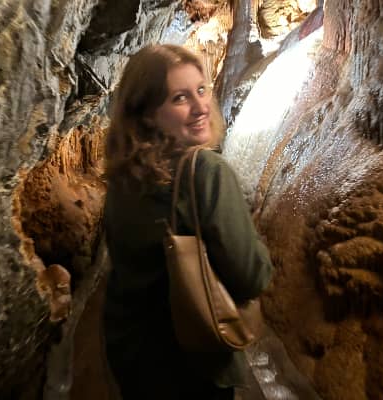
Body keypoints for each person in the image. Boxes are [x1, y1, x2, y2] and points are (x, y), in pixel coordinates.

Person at [103, 44, 273, 400]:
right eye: (180, 98)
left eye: (201, 89)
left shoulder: (123, 177)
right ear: (148, 115)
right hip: (193, 365)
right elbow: (251, 277)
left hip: (132, 355)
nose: (201, 107)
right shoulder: (206, 172)